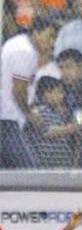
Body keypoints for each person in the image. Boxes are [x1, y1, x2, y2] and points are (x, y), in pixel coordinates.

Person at [1, 21, 57, 169]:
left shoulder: (17, 42)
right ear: (36, 33)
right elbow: (18, 90)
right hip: (7, 119)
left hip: (7, 117)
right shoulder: (27, 51)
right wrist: (29, 114)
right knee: (28, 169)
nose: (51, 42)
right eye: (49, 36)